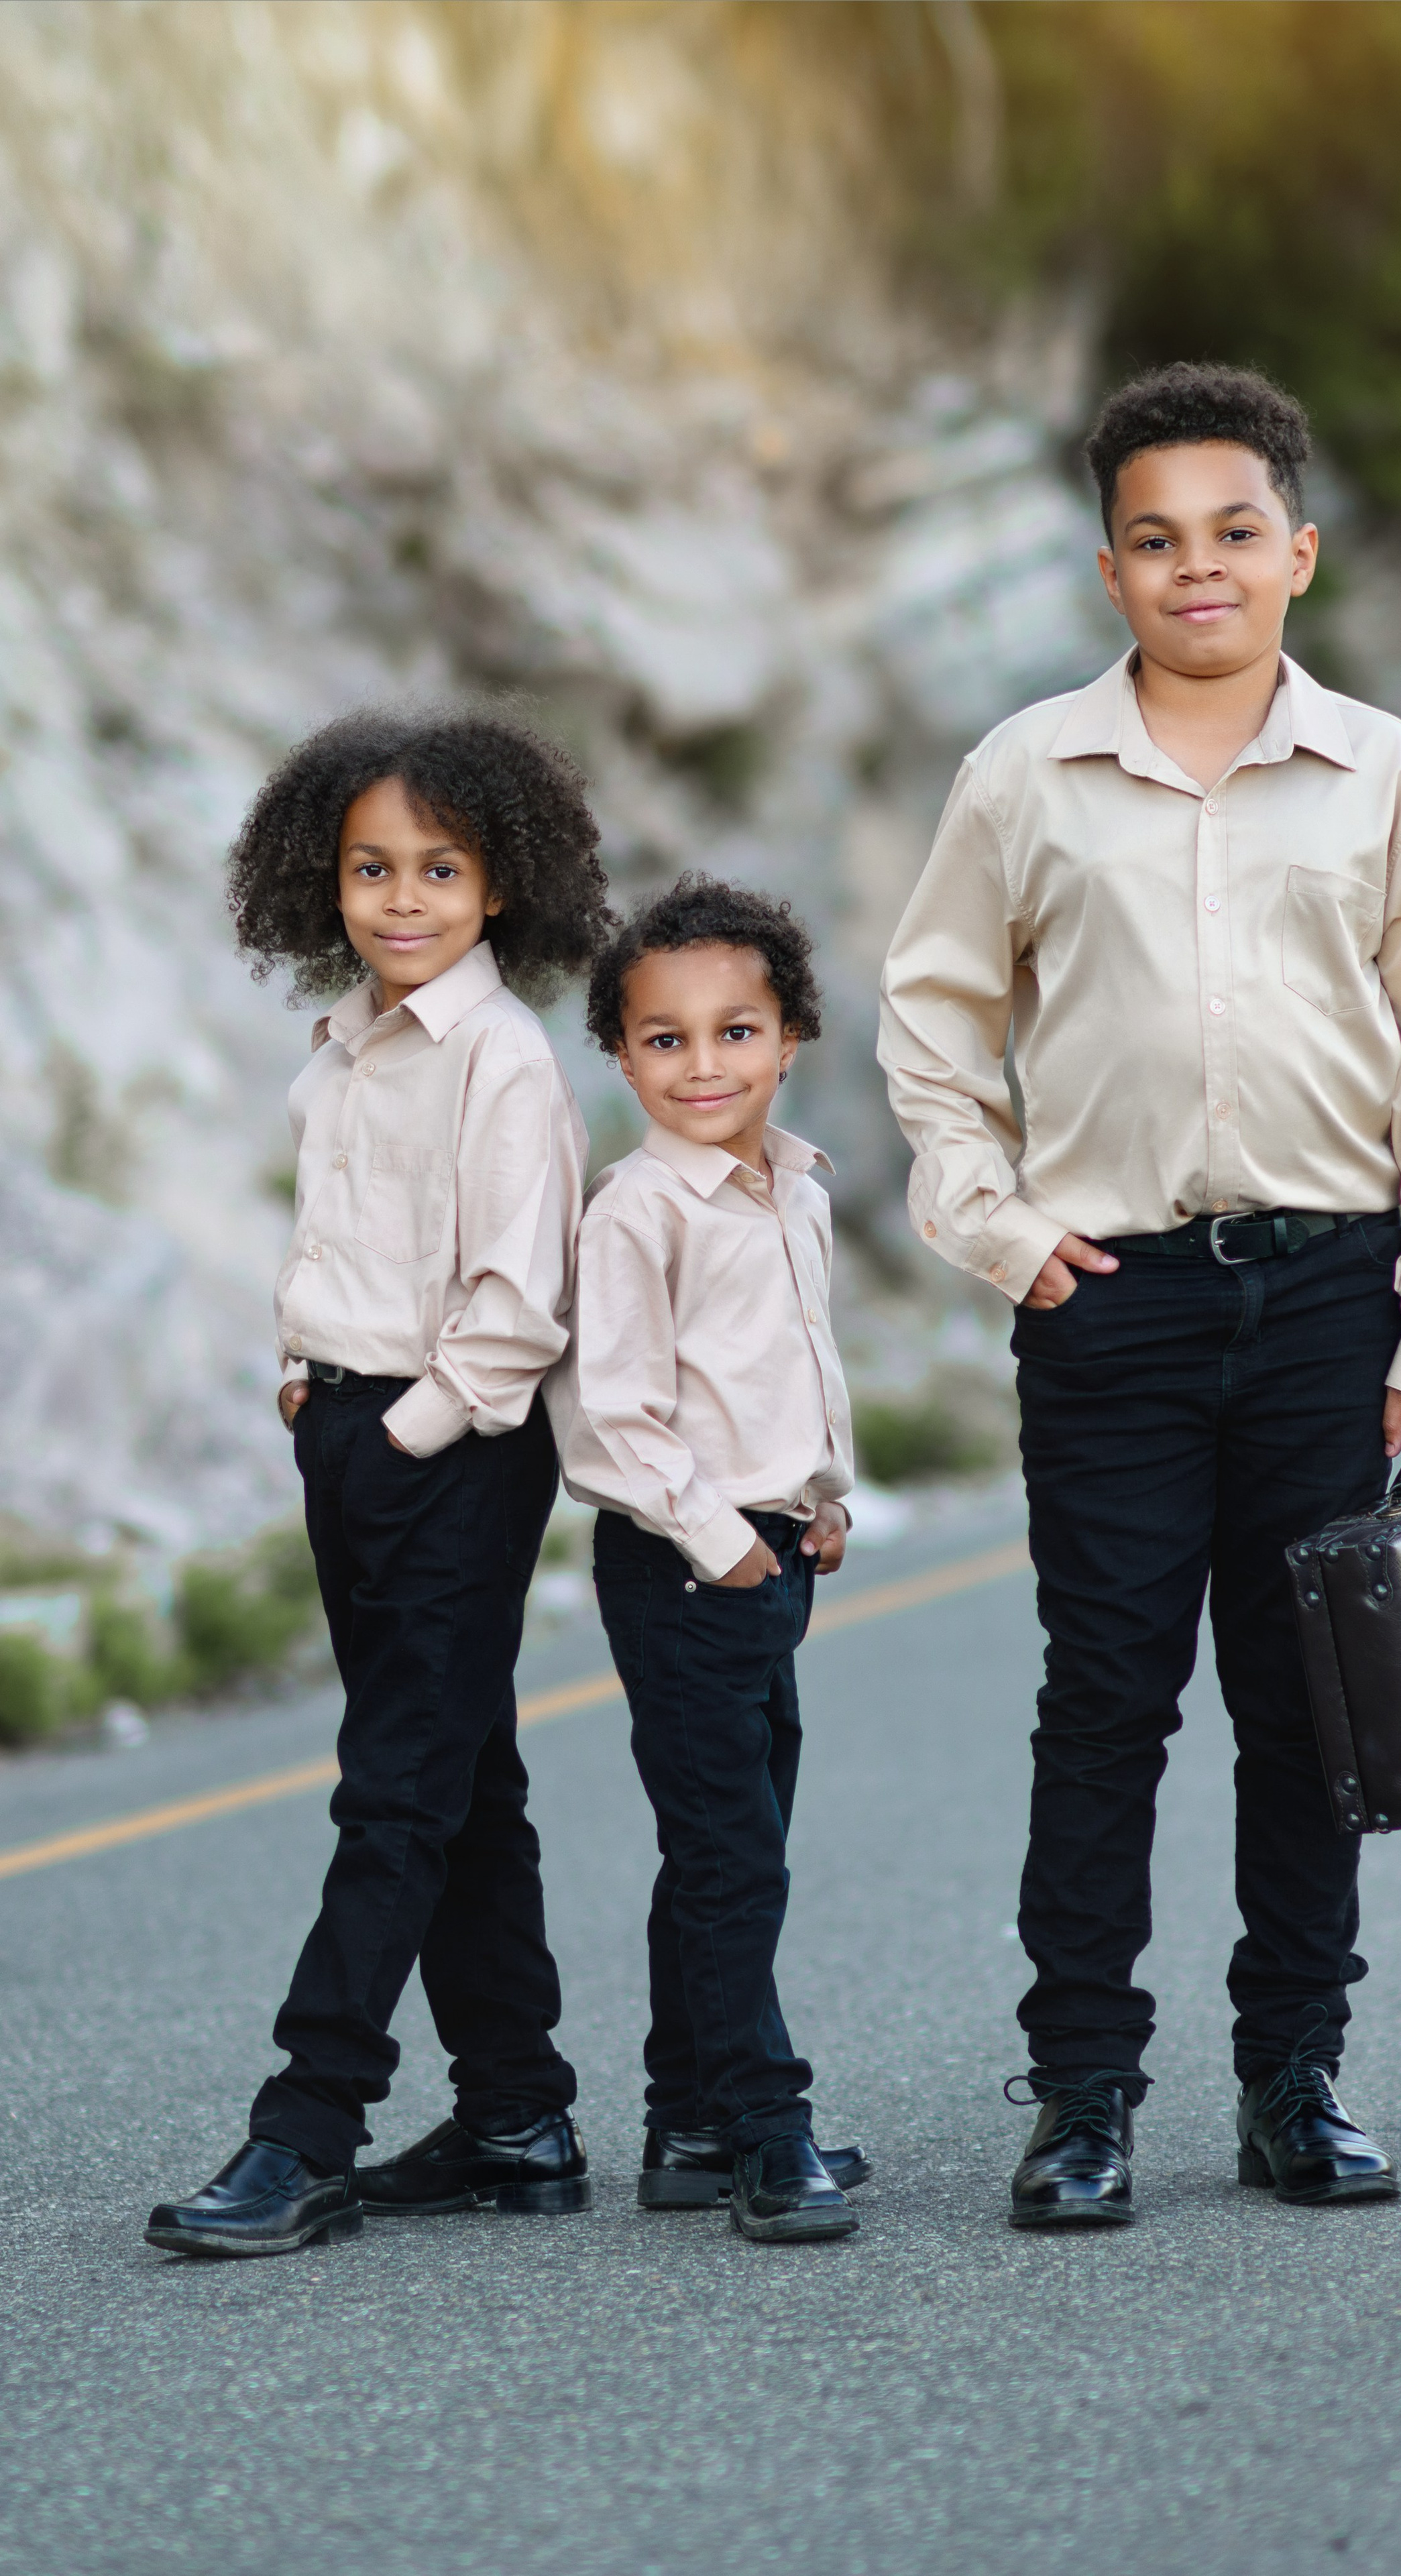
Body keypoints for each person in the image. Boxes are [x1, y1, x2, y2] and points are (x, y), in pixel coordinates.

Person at [879, 362, 1401, 2226]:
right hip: (1114, 1307)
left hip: (1331, 1293)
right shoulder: (1027, 775)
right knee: (1103, 1702)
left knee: (1309, 1710)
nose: (1199, 568)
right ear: (1108, 570)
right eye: (1156, 540)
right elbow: (933, 1017)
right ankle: (1082, 2098)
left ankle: (1293, 2081)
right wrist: (997, 1227)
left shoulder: (1386, 773)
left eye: (1235, 532)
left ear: (1297, 552)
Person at [146, 708, 609, 2259]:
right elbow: (336, 1238)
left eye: (438, 868)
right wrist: (304, 1376)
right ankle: (516, 2116)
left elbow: (515, 1307)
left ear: (500, 886)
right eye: (367, 868)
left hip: (453, 1450)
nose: (399, 898)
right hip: (345, 1431)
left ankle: (307, 2126)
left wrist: (406, 1433)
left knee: (395, 1788)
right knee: (462, 1778)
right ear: (318, 880)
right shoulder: (342, 1048)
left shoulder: (501, 1060)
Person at [562, 876, 867, 2243]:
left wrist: (823, 1495)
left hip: (771, 1545)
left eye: (733, 1031)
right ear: (621, 1055)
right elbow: (610, 1415)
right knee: (732, 1855)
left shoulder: (795, 1187)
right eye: (664, 1038)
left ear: (790, 1034)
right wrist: (723, 1549)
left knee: (726, 1848)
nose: (702, 1064)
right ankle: (762, 2125)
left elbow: (795, 1362)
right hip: (688, 1563)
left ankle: (684, 2119)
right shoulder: (636, 1211)